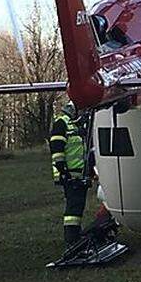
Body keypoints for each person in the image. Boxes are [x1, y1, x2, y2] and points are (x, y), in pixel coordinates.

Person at [49, 101, 89, 248]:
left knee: (78, 207)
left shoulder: (77, 125)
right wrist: (63, 171)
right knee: (73, 209)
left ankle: (76, 235)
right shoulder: (61, 123)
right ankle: (72, 239)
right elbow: (57, 149)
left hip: (79, 174)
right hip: (69, 175)